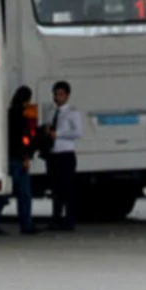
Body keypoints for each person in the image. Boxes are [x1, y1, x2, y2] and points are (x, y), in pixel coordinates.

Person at [0, 86, 38, 236]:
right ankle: (25, 224)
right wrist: (25, 157)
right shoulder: (21, 116)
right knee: (24, 194)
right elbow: (21, 140)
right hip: (18, 159)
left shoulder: (8, 114)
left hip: (8, 157)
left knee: (4, 193)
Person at [45, 80, 83, 231]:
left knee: (68, 189)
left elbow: (78, 132)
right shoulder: (51, 112)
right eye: (55, 94)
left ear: (67, 96)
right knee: (56, 189)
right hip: (53, 154)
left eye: (60, 94)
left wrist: (58, 134)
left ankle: (70, 220)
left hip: (66, 154)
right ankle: (56, 218)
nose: (57, 97)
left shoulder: (72, 113)